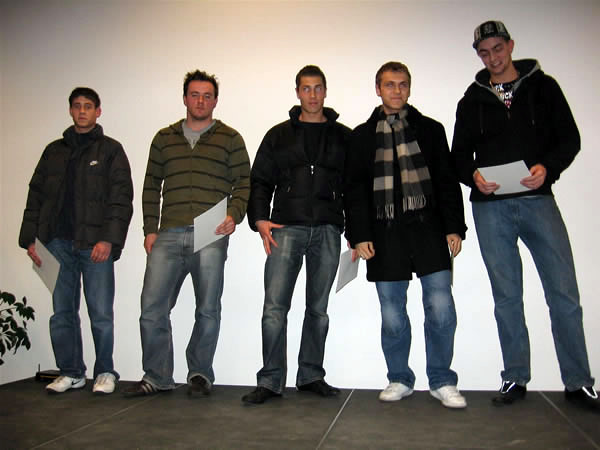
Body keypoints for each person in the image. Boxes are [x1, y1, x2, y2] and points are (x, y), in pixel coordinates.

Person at [451, 20, 598, 411]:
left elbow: (570, 139)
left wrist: (548, 168)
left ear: (511, 45)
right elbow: (458, 156)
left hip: (538, 201)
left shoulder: (544, 88)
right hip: (490, 208)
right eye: (484, 53)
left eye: (498, 49)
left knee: (564, 293)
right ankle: (515, 377)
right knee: (507, 298)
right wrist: (473, 176)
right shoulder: (471, 100)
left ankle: (578, 382)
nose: (493, 58)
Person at [344, 62, 467, 409]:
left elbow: (446, 180)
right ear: (378, 89)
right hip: (383, 235)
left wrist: (454, 227)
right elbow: (354, 190)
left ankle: (442, 380)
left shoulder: (430, 130)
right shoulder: (361, 137)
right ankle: (399, 378)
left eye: (402, 84)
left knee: (441, 308)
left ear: (409, 89)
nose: (396, 91)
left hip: (429, 229)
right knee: (392, 313)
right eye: (389, 85)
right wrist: (358, 235)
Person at [124, 70, 250, 397]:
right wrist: (149, 229)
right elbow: (151, 186)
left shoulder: (231, 138)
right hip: (167, 233)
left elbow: (244, 184)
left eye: (207, 96)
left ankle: (200, 373)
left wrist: (234, 215)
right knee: (152, 308)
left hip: (211, 231)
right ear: (184, 98)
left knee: (207, 308)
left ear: (215, 101)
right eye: (195, 95)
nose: (201, 101)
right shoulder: (163, 138)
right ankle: (157, 376)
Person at [241, 65, 350, 405]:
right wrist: (260, 219)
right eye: (306, 88)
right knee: (274, 308)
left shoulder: (343, 137)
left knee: (318, 310)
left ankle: (311, 375)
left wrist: (356, 231)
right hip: (285, 228)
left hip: (328, 229)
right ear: (297, 92)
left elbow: (354, 187)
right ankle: (271, 380)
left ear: (325, 91)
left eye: (318, 88)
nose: (312, 95)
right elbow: (260, 180)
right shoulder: (278, 135)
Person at [19, 87, 134, 395]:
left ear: (98, 111)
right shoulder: (53, 151)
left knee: (101, 314)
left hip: (95, 245)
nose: (82, 111)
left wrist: (108, 240)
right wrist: (30, 239)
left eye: (88, 106)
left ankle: (105, 371)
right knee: (62, 313)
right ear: (70, 110)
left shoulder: (111, 150)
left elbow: (121, 200)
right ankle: (71, 372)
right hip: (56, 244)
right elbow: (35, 196)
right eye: (77, 106)